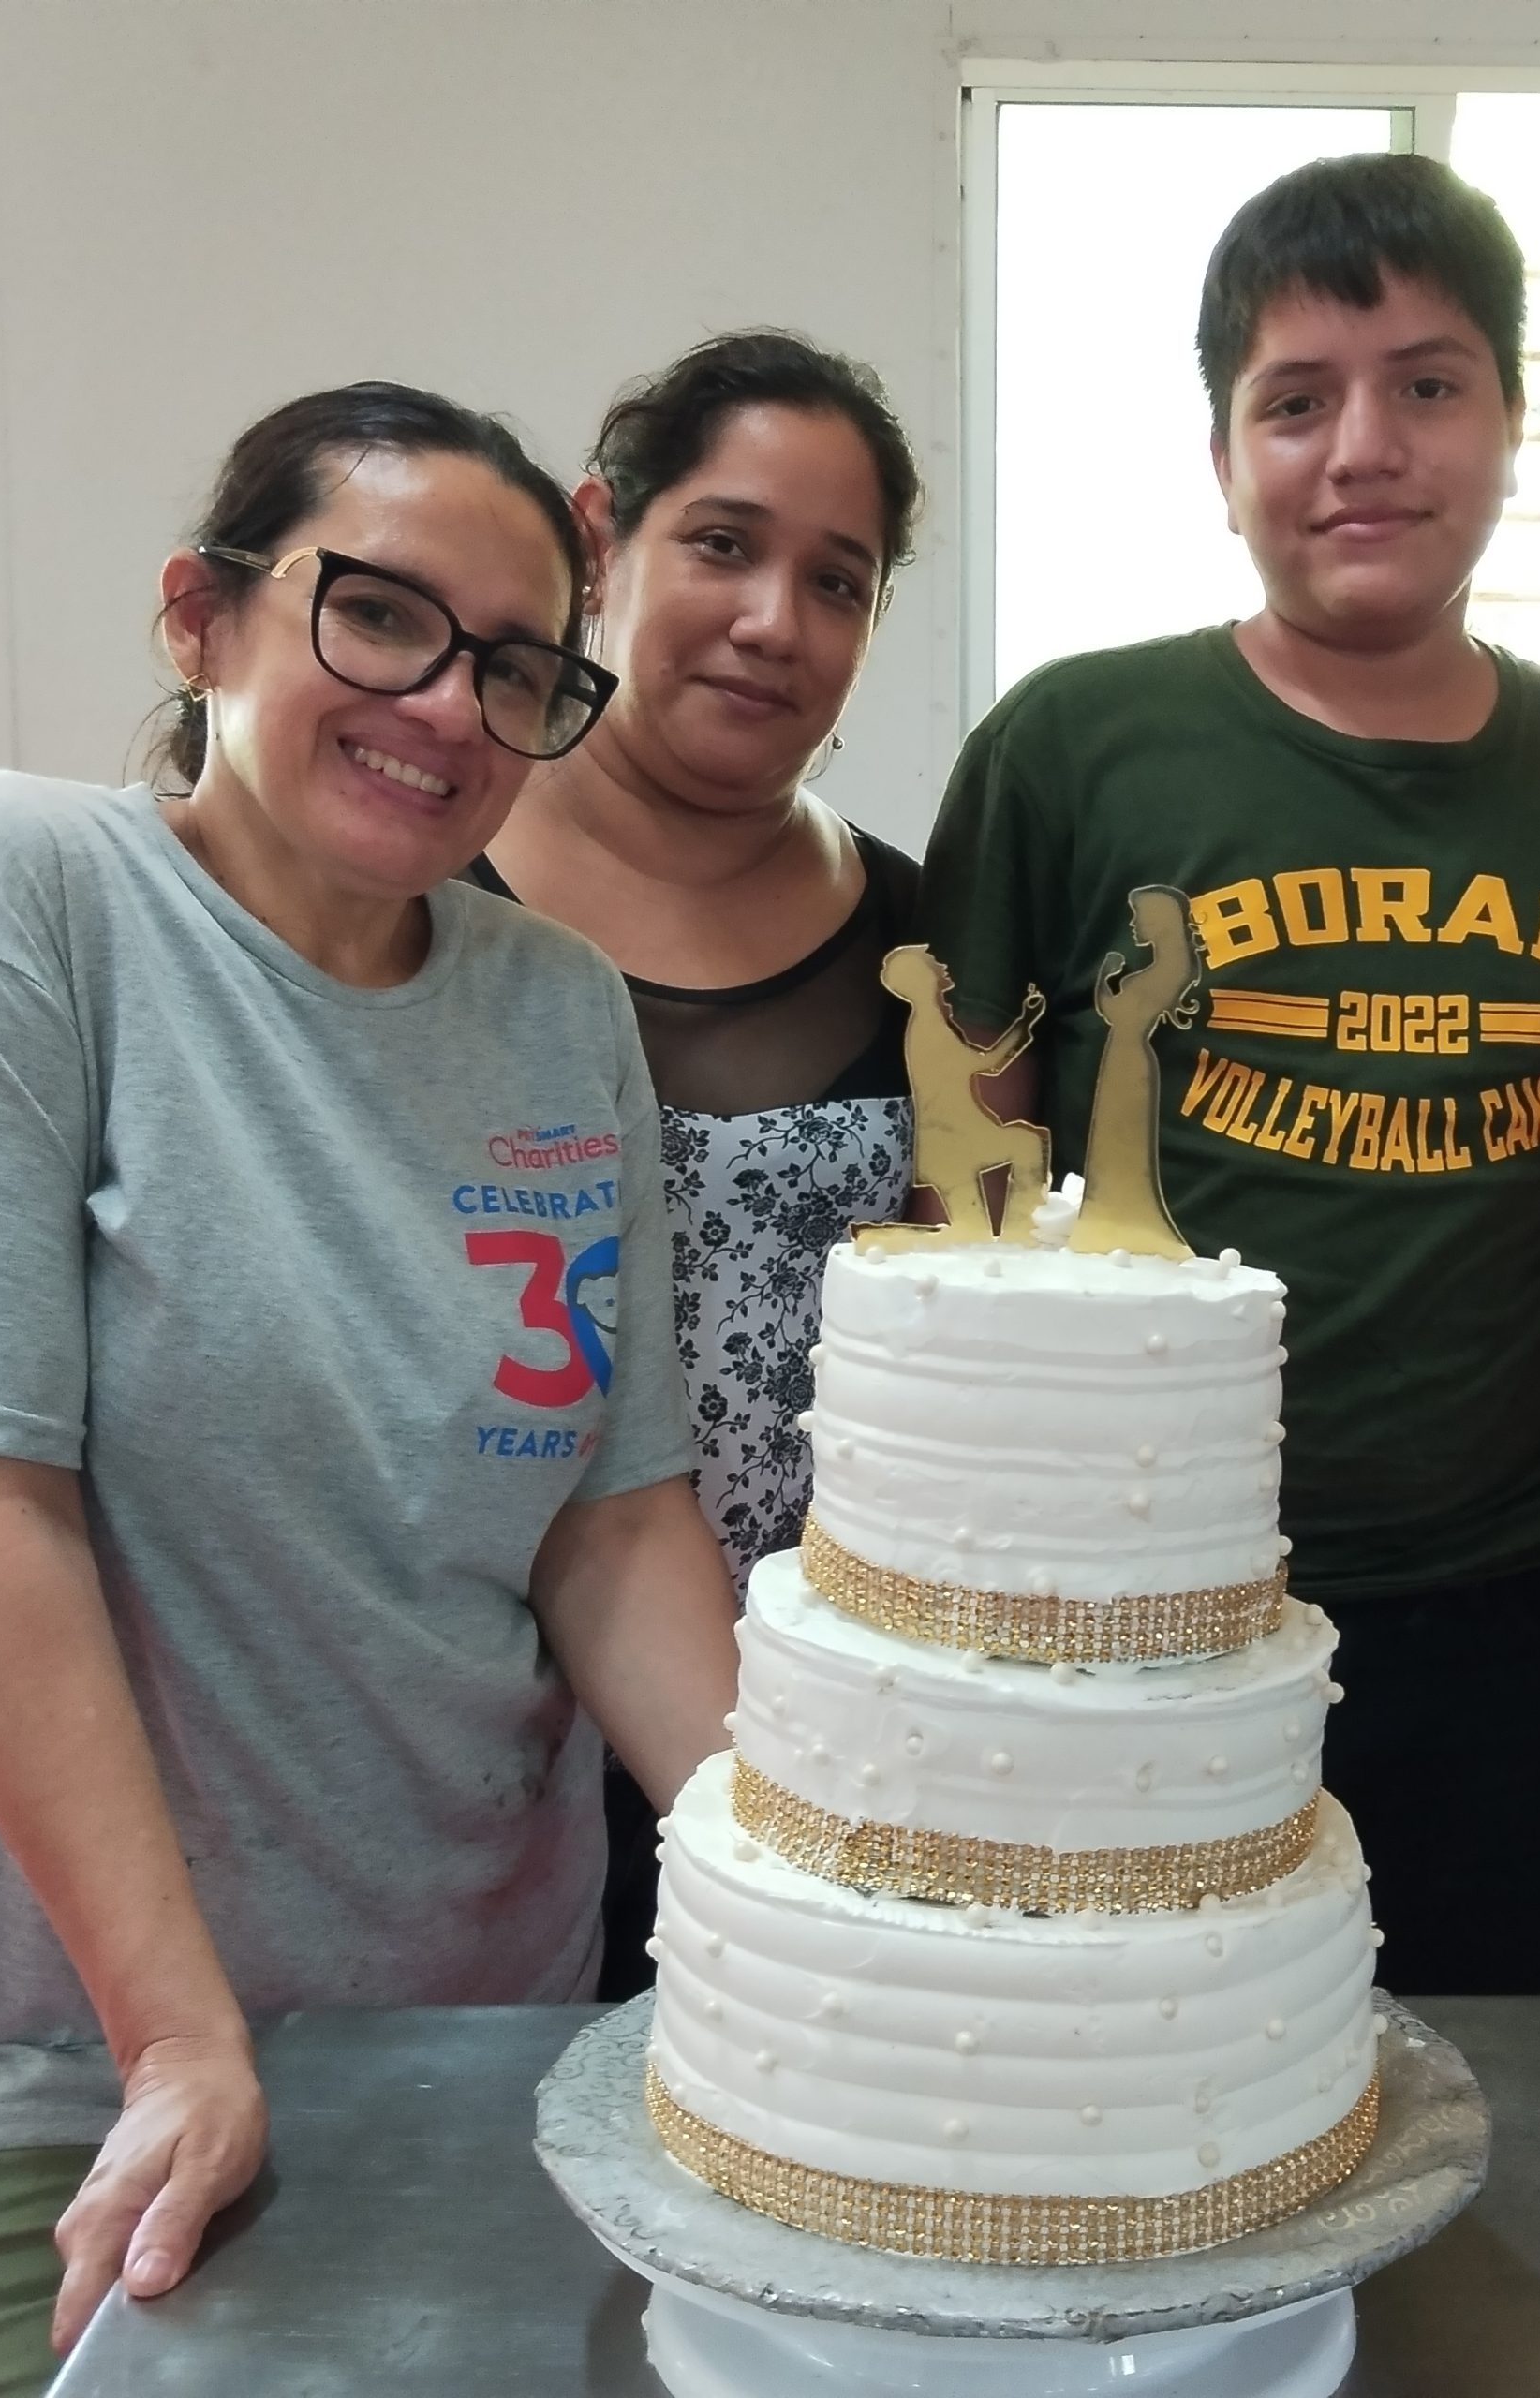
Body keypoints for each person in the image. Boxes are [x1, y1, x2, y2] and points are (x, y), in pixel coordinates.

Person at [0, 383, 742, 2397]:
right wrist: (180, 2039)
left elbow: (609, 1526)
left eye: (518, 667)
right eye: (382, 616)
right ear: (202, 616)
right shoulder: (9, 893)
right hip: (56, 2073)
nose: (444, 704)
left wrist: (834, 1903)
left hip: (473, 2055)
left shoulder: (554, 1006)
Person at [917, 152, 1540, 1996]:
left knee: (1483, 2101)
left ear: (1510, 425)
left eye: (1426, 385)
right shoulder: (1071, 745)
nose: (1362, 445)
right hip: (1137, 1593)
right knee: (1141, 2089)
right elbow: (958, 1203)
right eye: (1294, 400)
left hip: (1501, 1597)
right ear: (1221, 459)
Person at [471, 332, 924, 1994]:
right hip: (445, 1752)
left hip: (824, 1760)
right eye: (723, 544)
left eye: (839, 582)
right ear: (602, 539)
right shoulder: (409, 894)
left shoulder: (920, 944)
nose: (773, 623)